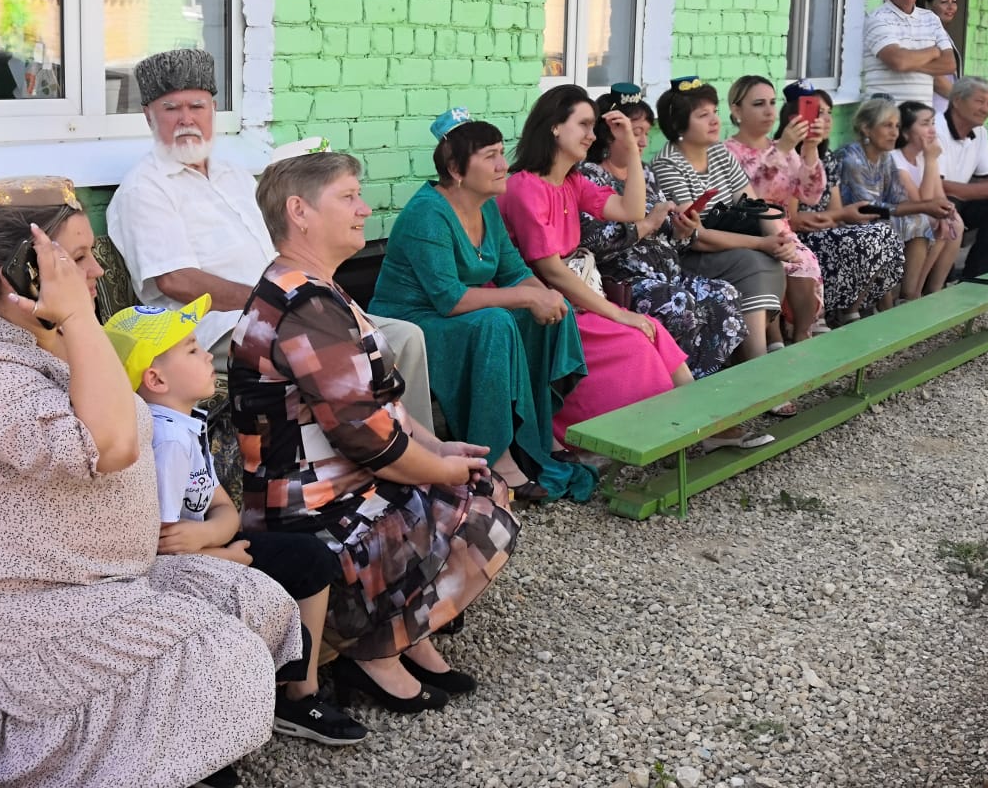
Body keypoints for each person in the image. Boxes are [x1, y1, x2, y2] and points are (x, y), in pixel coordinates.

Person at [0, 177, 303, 788]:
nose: (96, 271)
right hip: (14, 615)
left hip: (99, 581)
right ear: (24, 275)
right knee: (218, 655)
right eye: (77, 259)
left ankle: (171, 756)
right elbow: (113, 446)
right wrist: (74, 316)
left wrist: (71, 321)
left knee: (254, 603)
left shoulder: (45, 333)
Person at [230, 150, 520, 714]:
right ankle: (375, 650)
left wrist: (437, 448)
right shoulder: (305, 306)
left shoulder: (314, 288)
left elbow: (382, 404)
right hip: (310, 510)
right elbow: (371, 441)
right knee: (482, 507)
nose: (365, 209)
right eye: (348, 197)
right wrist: (442, 467)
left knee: (472, 484)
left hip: (340, 486)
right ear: (300, 212)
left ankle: (401, 637)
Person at [106, 48, 435, 431]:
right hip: (220, 330)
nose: (186, 119)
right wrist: (272, 300)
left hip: (287, 309)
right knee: (346, 351)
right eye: (171, 108)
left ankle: (418, 451)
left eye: (196, 106)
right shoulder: (144, 189)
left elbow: (284, 245)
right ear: (148, 115)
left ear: (213, 110)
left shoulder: (234, 175)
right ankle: (379, 454)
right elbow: (175, 279)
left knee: (404, 337)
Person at [103, 297, 367, 746]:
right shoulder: (165, 439)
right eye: (191, 349)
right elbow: (160, 545)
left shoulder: (185, 424)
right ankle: (283, 696)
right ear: (156, 379)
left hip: (211, 548)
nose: (208, 354)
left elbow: (225, 508)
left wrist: (213, 535)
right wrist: (222, 553)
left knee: (311, 558)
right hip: (177, 574)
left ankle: (298, 690)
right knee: (307, 561)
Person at [368, 108, 595, 503]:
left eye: (501, 152)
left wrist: (544, 296)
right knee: (495, 322)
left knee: (549, 312)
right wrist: (528, 296)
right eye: (490, 156)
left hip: (454, 317)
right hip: (411, 324)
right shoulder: (427, 213)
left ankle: (538, 436)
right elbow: (450, 299)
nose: (503, 165)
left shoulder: (486, 205)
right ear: (456, 169)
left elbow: (514, 272)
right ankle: (496, 457)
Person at [495, 85, 696, 444]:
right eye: (583, 125)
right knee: (634, 341)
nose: (591, 135)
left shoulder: (572, 182)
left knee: (652, 330)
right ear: (555, 126)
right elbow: (551, 270)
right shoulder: (525, 187)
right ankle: (649, 433)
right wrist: (618, 314)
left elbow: (631, 210)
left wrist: (630, 147)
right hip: (542, 306)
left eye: (593, 127)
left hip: (573, 297)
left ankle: (700, 423)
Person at [577, 82, 747, 378]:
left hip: (667, 274)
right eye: (635, 132)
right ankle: (673, 387)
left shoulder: (645, 173)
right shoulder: (590, 176)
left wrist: (682, 232)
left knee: (726, 294)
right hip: (623, 281)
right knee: (679, 303)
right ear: (609, 133)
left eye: (645, 132)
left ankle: (702, 383)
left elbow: (670, 239)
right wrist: (646, 225)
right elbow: (592, 241)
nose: (643, 141)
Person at [649, 77, 789, 367]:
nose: (715, 120)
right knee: (752, 261)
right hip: (690, 255)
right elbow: (696, 236)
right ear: (678, 125)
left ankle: (763, 348)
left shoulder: (719, 153)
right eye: (703, 115)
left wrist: (779, 240)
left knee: (774, 257)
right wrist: (762, 243)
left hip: (729, 245)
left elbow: (754, 205)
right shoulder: (668, 164)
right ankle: (758, 363)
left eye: (714, 111)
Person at [778, 85, 905, 322]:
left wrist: (838, 217)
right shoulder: (786, 153)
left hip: (823, 230)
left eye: (829, 113)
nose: (826, 119)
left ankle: (852, 309)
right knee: (874, 236)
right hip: (797, 237)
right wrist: (837, 217)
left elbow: (835, 211)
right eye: (818, 113)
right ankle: (838, 312)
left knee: (884, 234)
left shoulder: (827, 157)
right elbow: (792, 219)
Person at [723, 74, 826, 341]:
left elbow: (810, 195)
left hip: (783, 232)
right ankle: (774, 338)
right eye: (759, 104)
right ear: (737, 110)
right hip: (746, 232)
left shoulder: (783, 148)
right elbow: (750, 198)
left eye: (772, 102)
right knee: (778, 263)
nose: (769, 111)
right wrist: (782, 149)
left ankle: (802, 335)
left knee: (803, 262)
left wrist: (810, 148)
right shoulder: (726, 152)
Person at [835, 97, 957, 301]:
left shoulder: (884, 157)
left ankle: (908, 298)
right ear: (866, 129)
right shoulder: (851, 158)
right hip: (845, 222)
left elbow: (898, 198)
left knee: (919, 222)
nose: (894, 133)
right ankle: (884, 304)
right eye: (887, 126)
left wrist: (931, 208)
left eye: (897, 126)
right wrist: (926, 206)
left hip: (875, 218)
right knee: (886, 228)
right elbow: (868, 208)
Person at [935, 76, 988, 278]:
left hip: (958, 201)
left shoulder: (980, 132)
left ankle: (982, 274)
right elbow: (936, 186)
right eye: (979, 101)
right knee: (948, 203)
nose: (986, 109)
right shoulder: (935, 128)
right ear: (957, 101)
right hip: (930, 201)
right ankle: (937, 280)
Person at [862, 0, 956, 108]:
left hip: (922, 118)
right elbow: (898, 61)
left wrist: (909, 62)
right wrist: (933, 52)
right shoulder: (877, 18)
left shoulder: (931, 18)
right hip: (885, 116)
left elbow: (949, 64)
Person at [891, 100, 964, 294]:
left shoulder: (923, 156)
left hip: (919, 217)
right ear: (905, 132)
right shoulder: (896, 160)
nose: (932, 130)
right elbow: (921, 204)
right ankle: (913, 292)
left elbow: (939, 197)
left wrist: (947, 212)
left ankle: (934, 289)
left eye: (933, 123)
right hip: (897, 219)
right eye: (925, 124)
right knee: (931, 221)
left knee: (954, 222)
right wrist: (931, 160)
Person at [921, 0, 963, 113]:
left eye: (954, 2)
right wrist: (961, 101)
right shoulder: (926, 34)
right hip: (933, 110)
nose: (951, 7)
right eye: (944, 2)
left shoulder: (942, 34)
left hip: (944, 109)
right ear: (928, 5)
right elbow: (935, 79)